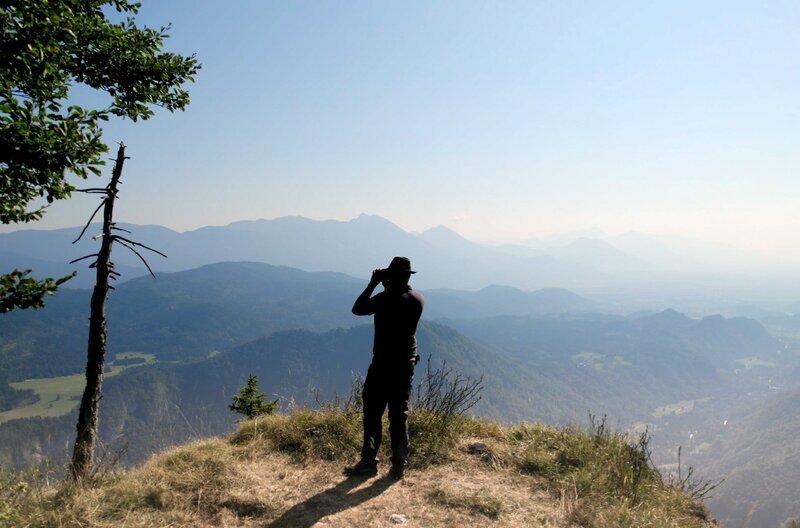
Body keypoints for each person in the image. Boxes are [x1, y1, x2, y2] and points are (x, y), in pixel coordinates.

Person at [344, 256, 424, 479]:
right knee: (399, 414)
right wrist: (387, 285)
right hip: (406, 365)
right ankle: (399, 464)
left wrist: (373, 283)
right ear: (408, 276)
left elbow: (357, 308)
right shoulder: (417, 299)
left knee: (373, 411)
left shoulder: (386, 299)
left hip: (383, 365)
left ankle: (369, 461)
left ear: (393, 276)